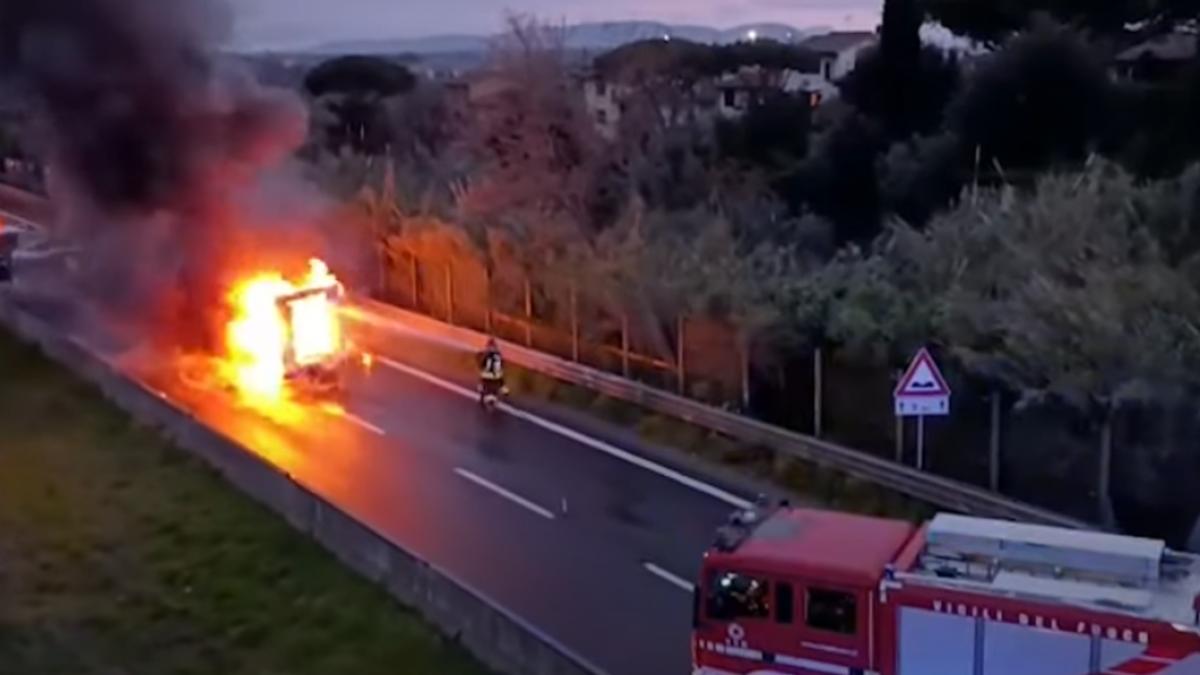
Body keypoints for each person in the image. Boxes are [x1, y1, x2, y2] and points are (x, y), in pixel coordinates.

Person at [477, 337, 505, 403]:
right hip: (497, 375)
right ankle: (502, 392)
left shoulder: (487, 354)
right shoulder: (498, 354)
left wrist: (481, 367)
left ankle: (481, 396)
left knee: (482, 383)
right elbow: (502, 364)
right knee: (501, 382)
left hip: (487, 375)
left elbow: (482, 364)